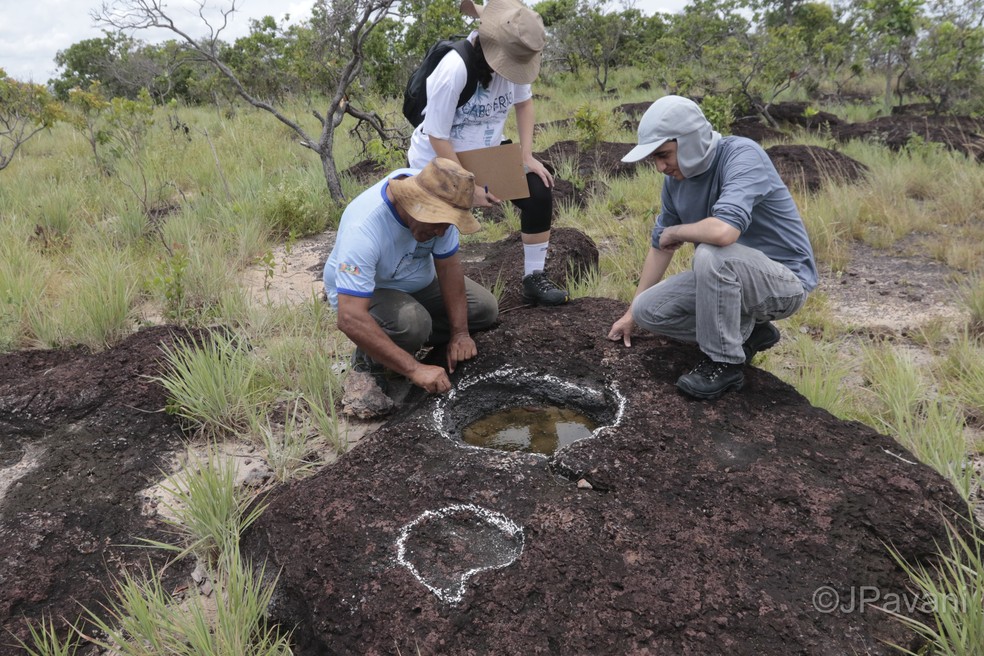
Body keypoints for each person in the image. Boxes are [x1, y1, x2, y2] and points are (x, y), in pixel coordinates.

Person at [607, 96, 818, 400]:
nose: (660, 167)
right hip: (730, 277)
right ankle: (750, 332)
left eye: (664, 155)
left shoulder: (742, 155)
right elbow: (660, 247)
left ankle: (725, 363)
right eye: (654, 158)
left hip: (784, 283)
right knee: (647, 311)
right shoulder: (675, 182)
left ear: (690, 141)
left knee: (712, 254)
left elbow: (723, 232)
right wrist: (630, 314)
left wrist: (676, 231)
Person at [407, 0, 568, 306]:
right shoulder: (454, 68)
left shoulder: (514, 63)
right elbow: (437, 135)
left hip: (487, 151)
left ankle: (534, 277)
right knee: (431, 223)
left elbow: (524, 104)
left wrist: (526, 156)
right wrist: (467, 186)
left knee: (538, 189)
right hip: (439, 158)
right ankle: (414, 283)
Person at [323, 157, 499, 404]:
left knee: (483, 309)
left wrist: (460, 333)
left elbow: (449, 269)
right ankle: (369, 360)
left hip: (416, 282)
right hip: (370, 291)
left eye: (447, 225)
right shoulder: (363, 228)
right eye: (438, 224)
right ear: (415, 204)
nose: (441, 232)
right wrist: (415, 369)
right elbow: (349, 316)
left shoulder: (443, 195)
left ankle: (403, 341)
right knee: (413, 323)